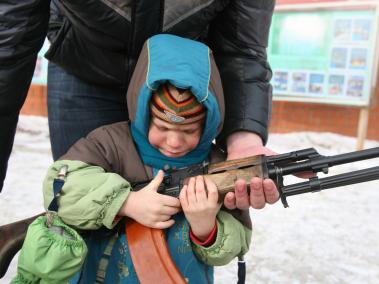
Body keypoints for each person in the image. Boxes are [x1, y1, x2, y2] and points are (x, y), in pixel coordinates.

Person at [13, 35, 252, 283]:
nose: (174, 142)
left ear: (209, 123)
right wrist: (127, 202)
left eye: (189, 131)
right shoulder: (112, 143)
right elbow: (59, 186)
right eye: (162, 127)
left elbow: (238, 241)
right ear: (143, 113)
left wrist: (206, 228)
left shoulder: (218, 166)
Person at [0, 1, 281, 210]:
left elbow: (242, 46)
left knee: (184, 217)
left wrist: (244, 136)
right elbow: (9, 43)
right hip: (85, 63)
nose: (173, 143)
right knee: (79, 200)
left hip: (182, 89)